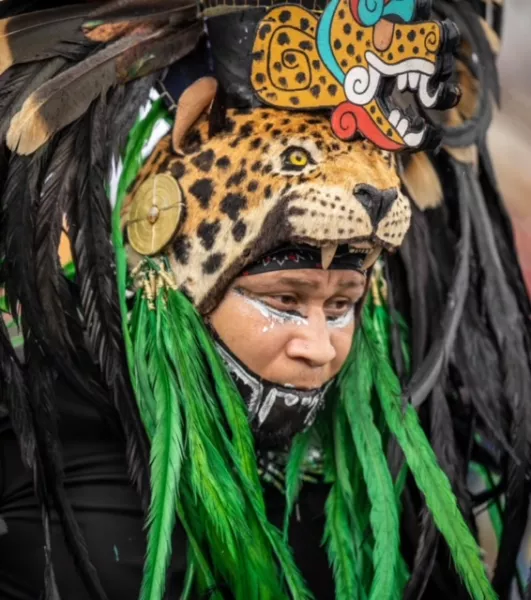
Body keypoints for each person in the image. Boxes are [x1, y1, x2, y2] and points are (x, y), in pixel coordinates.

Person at [0, 1, 529, 599]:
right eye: (282, 298)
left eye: (341, 306)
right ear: (171, 271)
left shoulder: (395, 448)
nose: (319, 349)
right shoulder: (44, 441)